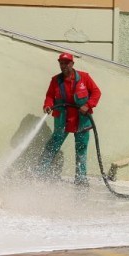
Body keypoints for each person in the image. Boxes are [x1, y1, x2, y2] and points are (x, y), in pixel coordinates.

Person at [39, 52, 101, 185]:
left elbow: (96, 92)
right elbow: (50, 96)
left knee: (81, 149)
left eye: (67, 63)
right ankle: (39, 174)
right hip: (63, 119)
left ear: (72, 64)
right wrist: (48, 105)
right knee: (52, 146)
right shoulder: (55, 80)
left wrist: (88, 105)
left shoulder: (84, 77)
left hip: (81, 120)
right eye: (61, 63)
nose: (64, 66)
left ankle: (80, 179)